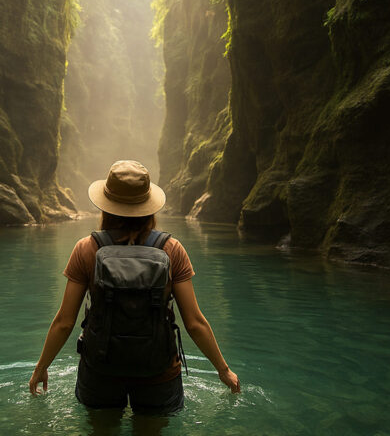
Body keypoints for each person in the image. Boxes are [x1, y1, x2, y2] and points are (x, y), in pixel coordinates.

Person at [29, 160, 240, 416]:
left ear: (105, 206)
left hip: (101, 369)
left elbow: (64, 321)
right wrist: (223, 369)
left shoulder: (86, 249)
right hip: (158, 370)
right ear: (148, 206)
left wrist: (42, 366)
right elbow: (194, 322)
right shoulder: (172, 250)